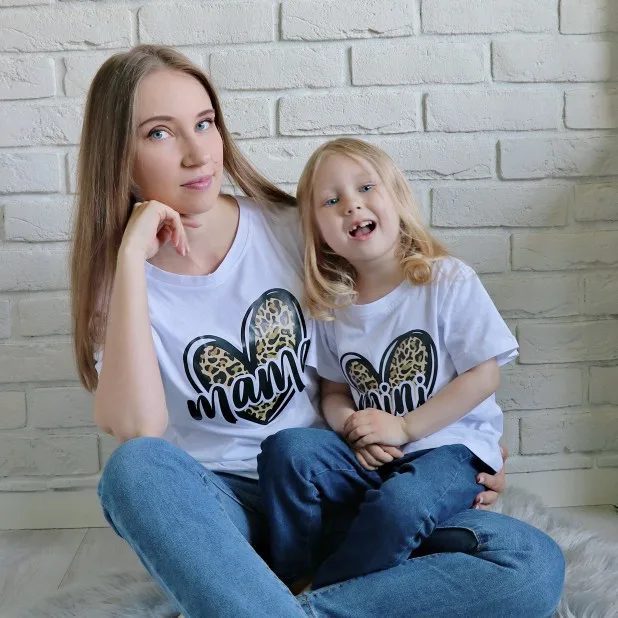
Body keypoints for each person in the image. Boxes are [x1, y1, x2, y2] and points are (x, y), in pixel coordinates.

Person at [70, 44, 564, 618]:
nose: (197, 153)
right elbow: (138, 430)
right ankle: (266, 597)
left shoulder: (293, 227)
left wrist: (457, 448)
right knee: (132, 472)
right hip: (226, 515)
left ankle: (273, 608)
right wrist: (131, 258)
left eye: (204, 123)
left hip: (340, 482)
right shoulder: (121, 281)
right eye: (160, 133)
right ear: (118, 157)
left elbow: (396, 320)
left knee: (530, 563)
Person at [258, 137, 521, 590]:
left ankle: (319, 595)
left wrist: (405, 427)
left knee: (402, 504)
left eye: (365, 188)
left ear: (397, 196)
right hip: (374, 456)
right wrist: (353, 427)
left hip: (450, 451)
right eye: (331, 201)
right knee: (286, 451)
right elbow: (334, 391)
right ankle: (289, 572)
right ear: (317, 230)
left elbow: (484, 374)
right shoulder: (332, 306)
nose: (351, 205)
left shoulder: (446, 280)